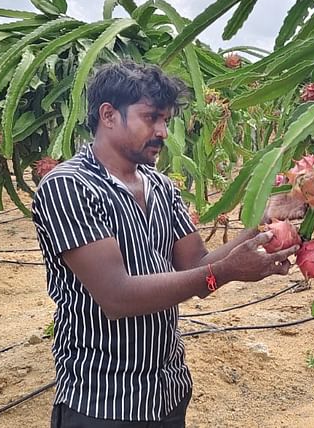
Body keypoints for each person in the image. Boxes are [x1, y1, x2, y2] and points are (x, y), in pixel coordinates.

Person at [32, 60, 299, 427]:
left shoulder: (160, 186)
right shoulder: (69, 187)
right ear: (108, 115)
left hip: (167, 391)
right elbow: (117, 296)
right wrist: (223, 273)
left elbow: (195, 264)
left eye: (166, 121)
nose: (162, 131)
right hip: (102, 401)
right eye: (151, 118)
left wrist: (259, 231)